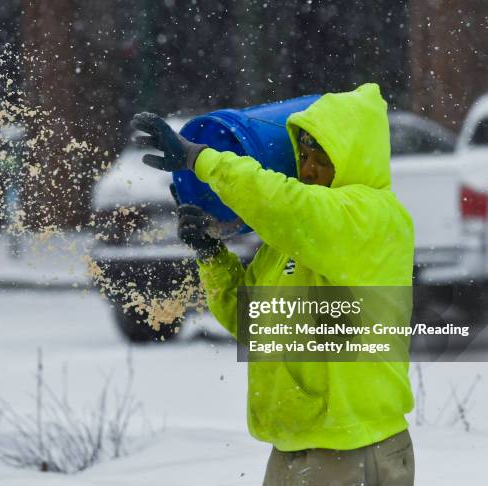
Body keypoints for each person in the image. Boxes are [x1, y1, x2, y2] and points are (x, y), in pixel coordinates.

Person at [131, 83, 415, 485]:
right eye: (303, 157)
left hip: (354, 450)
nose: (309, 169)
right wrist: (212, 256)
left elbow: (287, 205)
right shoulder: (290, 241)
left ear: (352, 156)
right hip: (293, 449)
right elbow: (253, 322)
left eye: (322, 157)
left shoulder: (374, 217)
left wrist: (202, 159)